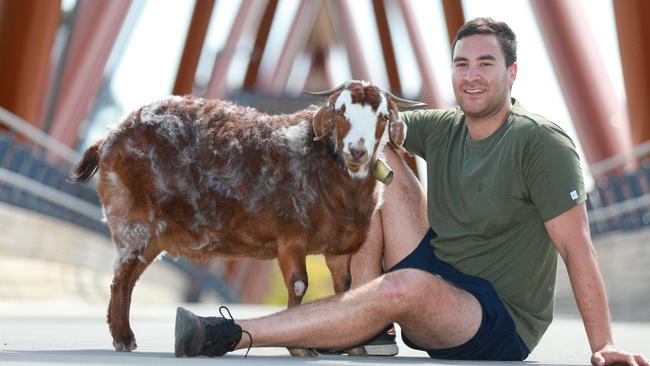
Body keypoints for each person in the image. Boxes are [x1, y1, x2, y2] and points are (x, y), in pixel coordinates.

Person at [173, 18, 648, 364]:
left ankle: (233, 334)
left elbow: (577, 247)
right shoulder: (445, 127)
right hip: (436, 268)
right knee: (373, 153)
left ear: (512, 73)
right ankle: (368, 324)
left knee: (406, 286)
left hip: (495, 320)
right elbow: (370, 124)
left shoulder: (541, 144)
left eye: (486, 63)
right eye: (462, 64)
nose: (472, 75)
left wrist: (602, 344)